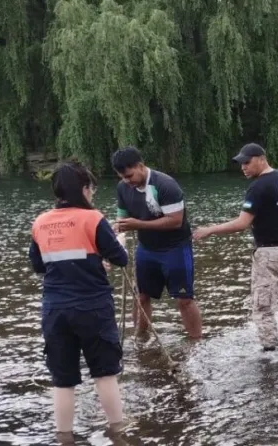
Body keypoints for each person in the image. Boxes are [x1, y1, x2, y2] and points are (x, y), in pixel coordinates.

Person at [28, 161, 128, 437]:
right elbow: (120, 259)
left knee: (62, 380)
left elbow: (40, 266)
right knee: (105, 373)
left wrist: (91, 261)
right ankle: (118, 433)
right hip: (92, 306)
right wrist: (117, 246)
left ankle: (64, 438)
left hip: (55, 309)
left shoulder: (40, 222)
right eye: (92, 189)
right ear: (84, 189)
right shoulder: (93, 218)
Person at [192, 143, 278, 351]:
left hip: (268, 254)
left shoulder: (257, 187)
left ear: (261, 158)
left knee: (262, 305)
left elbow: (242, 223)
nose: (243, 167)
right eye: (241, 163)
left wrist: (210, 229)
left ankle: (270, 352)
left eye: (247, 162)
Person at [111, 146, 203, 339]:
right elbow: (122, 221)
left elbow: (175, 221)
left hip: (175, 248)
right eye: (122, 177)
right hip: (146, 249)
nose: (127, 182)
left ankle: (196, 342)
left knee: (184, 299)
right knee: (141, 296)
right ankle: (140, 339)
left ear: (140, 166)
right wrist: (117, 236)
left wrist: (138, 224)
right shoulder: (123, 188)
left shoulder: (165, 185)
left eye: (129, 176)